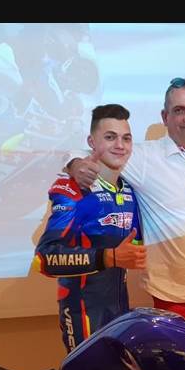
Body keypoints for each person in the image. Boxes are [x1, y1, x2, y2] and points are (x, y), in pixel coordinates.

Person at [66, 78, 185, 335]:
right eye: (179, 110)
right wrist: (75, 164)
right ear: (165, 116)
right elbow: (85, 149)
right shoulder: (144, 158)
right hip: (174, 294)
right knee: (178, 361)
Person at [34, 104, 146, 352]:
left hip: (119, 311)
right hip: (82, 312)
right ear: (91, 142)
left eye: (126, 138)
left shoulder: (129, 190)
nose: (120, 145)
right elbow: (45, 258)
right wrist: (109, 257)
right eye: (110, 137)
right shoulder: (73, 190)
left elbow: (134, 246)